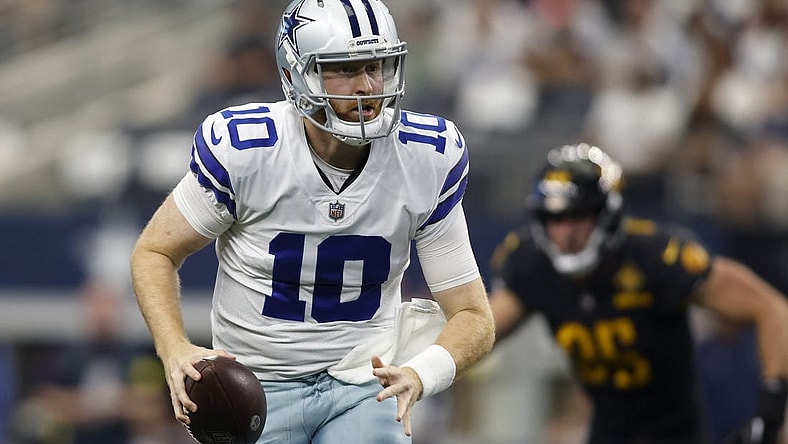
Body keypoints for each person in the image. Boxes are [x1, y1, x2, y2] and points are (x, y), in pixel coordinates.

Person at [129, 1, 495, 443]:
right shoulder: (249, 150)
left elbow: (474, 315)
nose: (367, 87)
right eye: (345, 69)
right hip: (255, 387)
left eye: (376, 67)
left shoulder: (426, 159)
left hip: (364, 383)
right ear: (294, 75)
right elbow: (154, 251)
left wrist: (421, 374)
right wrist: (174, 349)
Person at [488, 143, 788, 444]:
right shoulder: (531, 264)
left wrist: (771, 412)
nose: (565, 234)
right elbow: (482, 333)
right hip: (608, 431)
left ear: (609, 212)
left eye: (578, 216)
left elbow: (771, 308)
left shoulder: (656, 257)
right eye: (555, 219)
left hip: (675, 431)